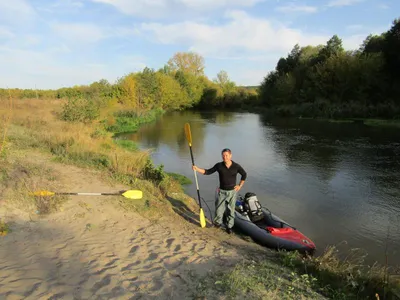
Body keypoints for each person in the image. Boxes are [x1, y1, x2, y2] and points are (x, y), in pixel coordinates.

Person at [192, 148, 247, 234]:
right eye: (223, 155)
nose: (225, 157)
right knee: (219, 210)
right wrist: (197, 169)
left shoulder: (236, 166)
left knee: (231, 210)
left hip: (232, 192)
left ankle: (229, 227)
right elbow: (207, 172)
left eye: (226, 155)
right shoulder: (219, 166)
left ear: (230, 155)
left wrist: (240, 185)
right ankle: (217, 224)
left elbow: (244, 174)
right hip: (221, 191)